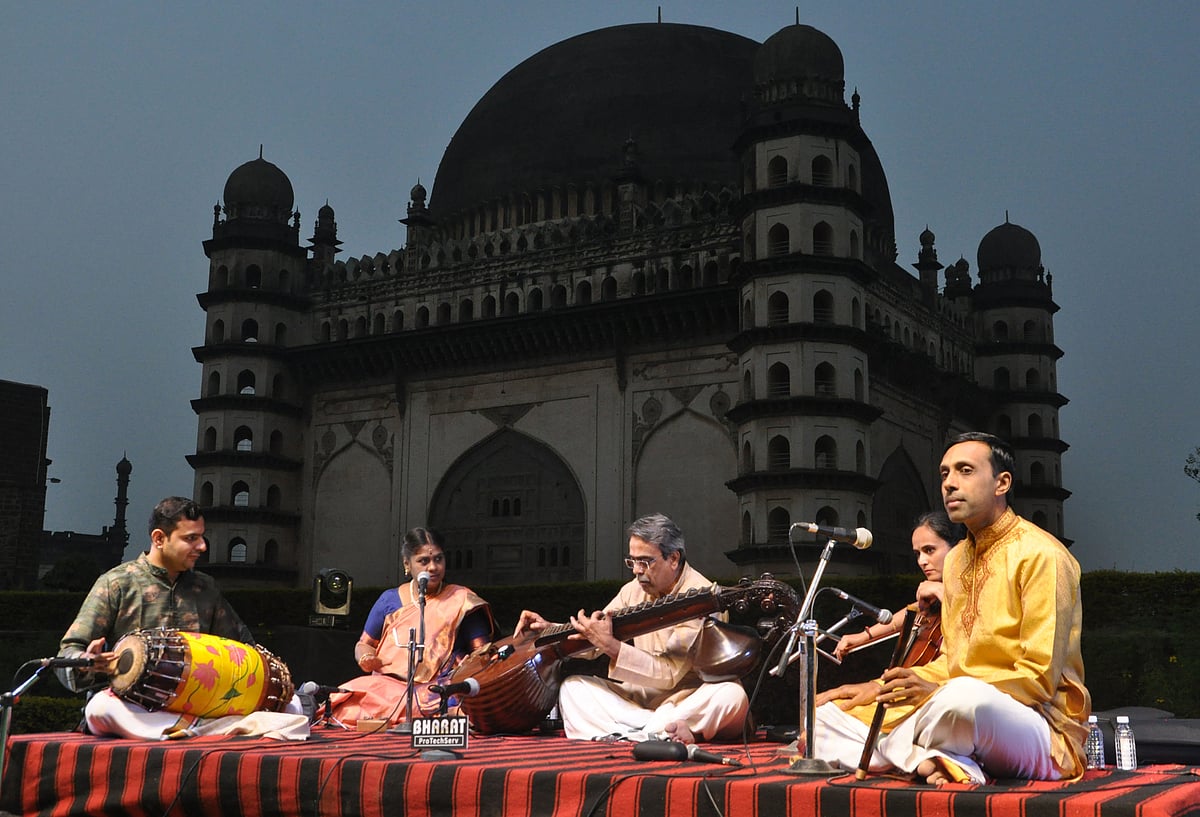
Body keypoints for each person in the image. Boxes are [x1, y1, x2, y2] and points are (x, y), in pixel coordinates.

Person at [808, 433, 1090, 784]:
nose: (950, 484)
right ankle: (934, 759)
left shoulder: (1042, 555)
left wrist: (936, 692)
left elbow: (1038, 678)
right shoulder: (956, 561)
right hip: (953, 709)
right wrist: (882, 687)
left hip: (1037, 724)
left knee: (963, 699)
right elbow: (951, 661)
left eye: (965, 471)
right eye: (944, 473)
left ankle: (910, 754)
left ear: (1002, 483)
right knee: (823, 721)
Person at [57, 496, 309, 739]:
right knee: (101, 708)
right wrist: (86, 662)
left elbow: (244, 649)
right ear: (159, 538)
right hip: (136, 705)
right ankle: (207, 729)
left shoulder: (205, 588)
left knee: (293, 704)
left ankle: (189, 729)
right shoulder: (117, 583)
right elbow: (69, 651)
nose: (202, 546)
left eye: (202, 537)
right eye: (191, 538)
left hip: (199, 702)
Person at [514, 513, 749, 744]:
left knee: (731, 695)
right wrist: (550, 630)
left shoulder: (701, 599)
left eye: (644, 562)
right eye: (632, 561)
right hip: (640, 703)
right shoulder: (633, 591)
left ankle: (640, 732)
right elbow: (595, 636)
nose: (636, 570)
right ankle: (655, 732)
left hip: (688, 699)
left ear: (673, 558)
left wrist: (612, 647)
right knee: (573, 688)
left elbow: (669, 675)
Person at [328, 527, 495, 726]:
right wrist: (366, 658)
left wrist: (470, 665)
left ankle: (420, 713)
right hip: (389, 686)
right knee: (348, 696)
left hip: (440, 686)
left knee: (443, 699)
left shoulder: (461, 600)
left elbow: (483, 653)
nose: (433, 567)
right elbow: (364, 644)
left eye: (438, 559)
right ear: (407, 564)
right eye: (423, 561)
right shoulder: (389, 600)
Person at [830, 510, 965, 663]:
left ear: (958, 548)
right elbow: (913, 612)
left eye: (929, 550)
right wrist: (864, 636)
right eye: (917, 554)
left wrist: (942, 592)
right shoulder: (935, 595)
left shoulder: (976, 586)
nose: (922, 561)